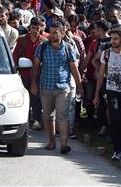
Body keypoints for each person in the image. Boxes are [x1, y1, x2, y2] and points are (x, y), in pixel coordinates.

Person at [30, 21, 83, 154]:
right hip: (46, 87)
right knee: (47, 116)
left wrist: (79, 85)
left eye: (55, 32)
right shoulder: (42, 47)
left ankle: (64, 144)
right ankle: (51, 142)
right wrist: (34, 83)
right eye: (51, 32)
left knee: (63, 115)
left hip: (62, 87)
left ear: (62, 33)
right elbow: (36, 67)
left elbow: (74, 68)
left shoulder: (68, 48)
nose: (52, 35)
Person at [93, 28, 121, 161]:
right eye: (111, 38)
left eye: (116, 39)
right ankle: (117, 150)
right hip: (111, 90)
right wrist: (96, 94)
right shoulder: (106, 54)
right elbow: (101, 75)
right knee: (115, 118)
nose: (112, 41)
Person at [13, 17, 47, 130]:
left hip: (39, 74)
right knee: (23, 98)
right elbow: (15, 57)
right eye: (33, 28)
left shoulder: (44, 42)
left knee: (37, 98)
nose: (36, 30)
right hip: (24, 74)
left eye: (38, 28)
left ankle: (36, 120)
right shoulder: (21, 40)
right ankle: (24, 120)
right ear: (29, 27)